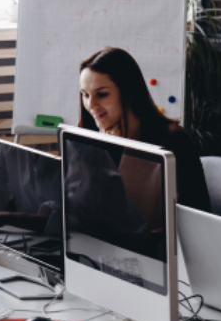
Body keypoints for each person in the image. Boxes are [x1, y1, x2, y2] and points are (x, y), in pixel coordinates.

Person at [78, 47, 211, 211]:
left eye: (102, 94)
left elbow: (136, 215)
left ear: (128, 92)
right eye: (85, 94)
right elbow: (80, 201)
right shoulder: (88, 131)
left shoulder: (172, 141)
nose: (90, 105)